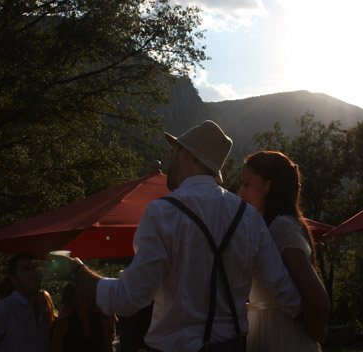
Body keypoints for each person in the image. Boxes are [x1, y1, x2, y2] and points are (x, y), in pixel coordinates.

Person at [48, 120, 302, 352]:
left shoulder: (163, 212)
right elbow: (287, 294)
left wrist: (76, 271)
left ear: (187, 154)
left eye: (175, 150)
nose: (171, 157)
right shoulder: (249, 217)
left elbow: (128, 299)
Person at [239, 151, 330, 351]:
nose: (240, 193)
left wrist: (313, 333)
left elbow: (319, 302)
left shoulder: (280, 227)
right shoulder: (270, 227)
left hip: (284, 339)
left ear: (268, 186)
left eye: (246, 184)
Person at [50, 283, 116, 352]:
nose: (87, 296)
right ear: (74, 297)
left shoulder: (100, 318)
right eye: (82, 293)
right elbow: (54, 348)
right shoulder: (64, 321)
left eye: (89, 293)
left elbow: (107, 346)